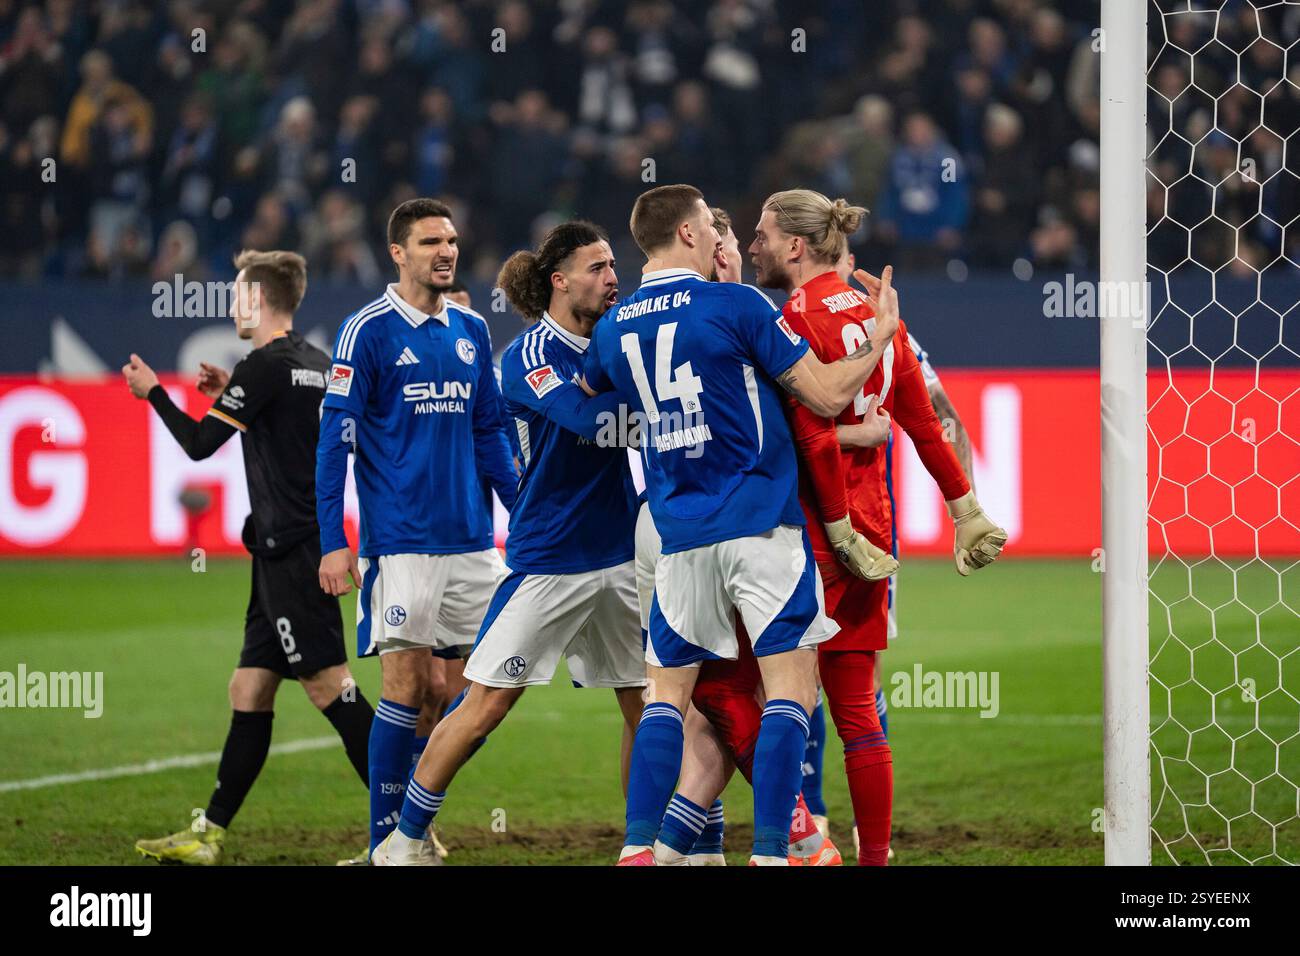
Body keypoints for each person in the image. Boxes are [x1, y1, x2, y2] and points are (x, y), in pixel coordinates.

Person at [583, 183, 898, 866]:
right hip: (759, 525)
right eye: (712, 227)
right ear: (692, 234)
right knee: (791, 687)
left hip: (678, 534)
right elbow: (826, 392)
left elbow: (589, 386)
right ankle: (771, 853)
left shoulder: (614, 328)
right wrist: (877, 340)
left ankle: (638, 850)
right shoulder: (737, 303)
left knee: (667, 696)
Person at [375, 220, 648, 865]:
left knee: (649, 706)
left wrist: (620, 394)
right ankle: (402, 841)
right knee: (484, 706)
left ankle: (646, 845)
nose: (614, 277)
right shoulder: (529, 356)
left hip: (619, 556)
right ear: (560, 282)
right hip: (549, 559)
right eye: (598, 266)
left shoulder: (614, 341)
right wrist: (635, 407)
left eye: (615, 265)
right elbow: (586, 420)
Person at [750, 188, 1006, 863]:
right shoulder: (880, 316)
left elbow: (807, 442)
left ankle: (784, 848)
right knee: (858, 714)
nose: (756, 246)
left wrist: (833, 530)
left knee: (767, 698)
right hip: (876, 536)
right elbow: (924, 420)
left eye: (764, 235)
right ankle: (875, 858)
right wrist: (965, 509)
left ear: (796, 246)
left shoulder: (793, 319)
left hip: (813, 536)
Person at [125, 250, 373, 865]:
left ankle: (409, 821)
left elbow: (199, 446)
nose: (232, 304)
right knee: (250, 687)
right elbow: (291, 428)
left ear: (257, 299)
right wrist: (230, 393)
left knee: (329, 688)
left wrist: (153, 392)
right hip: (285, 550)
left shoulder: (262, 365)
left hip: (293, 554)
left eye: (237, 293)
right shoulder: (316, 362)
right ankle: (209, 834)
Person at [315, 198, 519, 859]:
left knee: (481, 693)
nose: (446, 251)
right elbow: (334, 440)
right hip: (401, 544)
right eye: (431, 241)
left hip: (471, 541)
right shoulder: (367, 332)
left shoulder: (468, 329)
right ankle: (389, 842)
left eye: (452, 240)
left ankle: (411, 817)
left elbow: (489, 430)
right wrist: (332, 540)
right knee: (405, 688)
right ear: (398, 253)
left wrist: (523, 511)